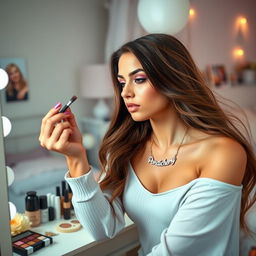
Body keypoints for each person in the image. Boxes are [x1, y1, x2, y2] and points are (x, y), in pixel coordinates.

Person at [39, 34, 256, 255]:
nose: (125, 93)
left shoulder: (223, 153)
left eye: (139, 79)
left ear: (173, 78)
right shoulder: (126, 148)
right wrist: (76, 159)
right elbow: (103, 228)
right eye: (122, 82)